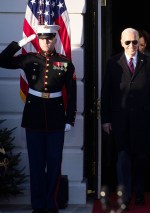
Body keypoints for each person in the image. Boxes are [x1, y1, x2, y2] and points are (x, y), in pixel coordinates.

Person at [0, 24, 77, 213]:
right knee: (35, 164)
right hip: (34, 118)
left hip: (56, 119)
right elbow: (2, 60)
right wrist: (21, 43)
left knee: (53, 163)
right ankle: (38, 205)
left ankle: (51, 204)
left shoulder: (65, 63)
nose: (46, 42)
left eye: (50, 38)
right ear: (38, 40)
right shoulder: (28, 59)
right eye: (43, 38)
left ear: (55, 39)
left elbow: (73, 94)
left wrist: (70, 120)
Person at [100, 27, 150, 210]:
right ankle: (125, 195)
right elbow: (106, 93)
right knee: (122, 157)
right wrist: (106, 119)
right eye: (127, 42)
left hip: (143, 119)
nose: (131, 45)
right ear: (121, 43)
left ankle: (140, 191)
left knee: (141, 157)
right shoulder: (113, 63)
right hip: (120, 120)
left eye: (135, 42)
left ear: (139, 42)